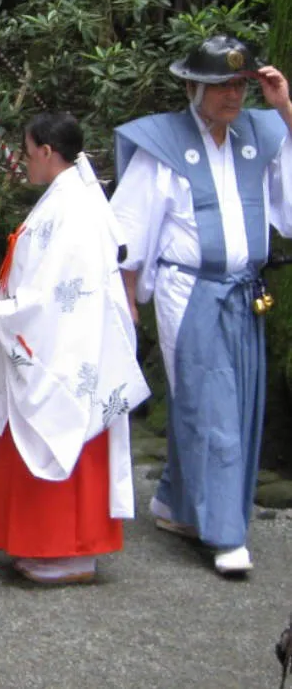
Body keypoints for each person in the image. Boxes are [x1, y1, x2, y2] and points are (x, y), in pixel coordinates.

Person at [110, 35, 292, 577]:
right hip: (188, 292)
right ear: (192, 86)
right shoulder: (162, 145)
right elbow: (129, 230)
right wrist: (126, 301)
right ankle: (224, 532)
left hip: (244, 291)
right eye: (219, 86)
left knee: (233, 405)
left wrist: (284, 107)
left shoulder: (261, 134)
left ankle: (176, 504)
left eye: (239, 84)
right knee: (211, 406)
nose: (232, 96)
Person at [0, 113, 150, 585]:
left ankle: (69, 550)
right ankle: (53, 545)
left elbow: (57, 290)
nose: (25, 161)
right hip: (68, 334)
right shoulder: (73, 196)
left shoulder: (72, 206)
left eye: (28, 151)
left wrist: (8, 307)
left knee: (62, 425)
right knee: (59, 431)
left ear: (48, 152)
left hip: (67, 341)